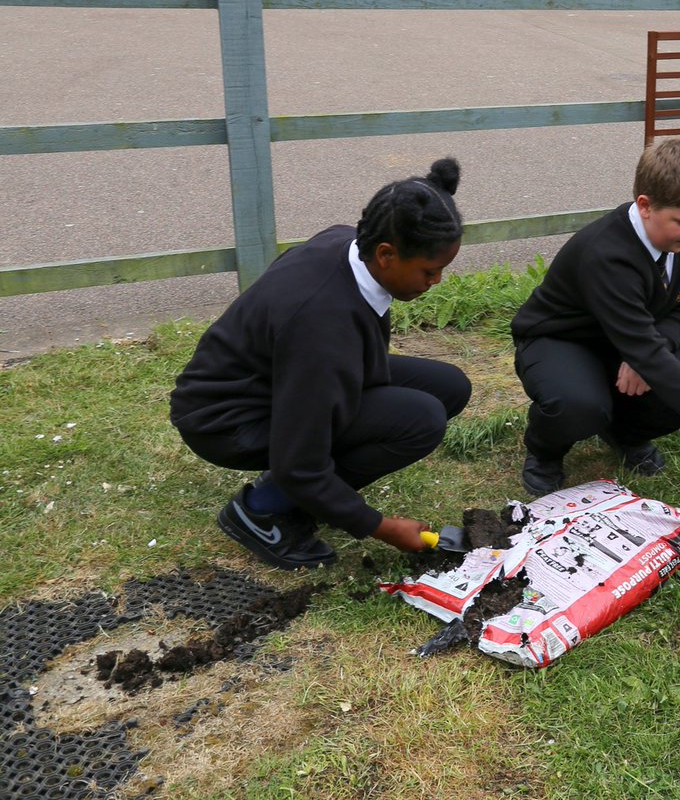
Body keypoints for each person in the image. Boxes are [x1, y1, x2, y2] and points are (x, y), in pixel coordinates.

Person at [170, 159, 471, 570]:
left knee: (450, 386)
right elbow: (300, 461)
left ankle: (295, 497)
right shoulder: (322, 326)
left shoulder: (348, 245)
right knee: (421, 419)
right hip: (228, 420)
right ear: (386, 254)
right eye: (429, 271)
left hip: (282, 378)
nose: (435, 282)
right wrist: (378, 525)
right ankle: (262, 512)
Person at [510, 138, 680, 496]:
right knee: (579, 405)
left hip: (630, 340)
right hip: (561, 341)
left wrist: (651, 349)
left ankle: (624, 434)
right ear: (645, 206)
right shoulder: (607, 256)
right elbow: (645, 350)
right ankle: (544, 452)